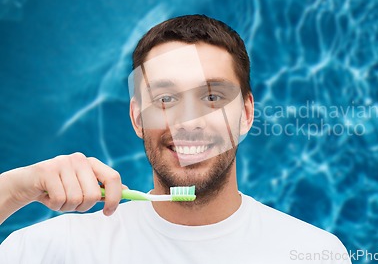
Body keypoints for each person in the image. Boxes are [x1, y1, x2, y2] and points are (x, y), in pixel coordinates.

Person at [0, 15, 350, 263]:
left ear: (246, 114)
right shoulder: (53, 250)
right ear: (137, 118)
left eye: (212, 97)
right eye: (165, 99)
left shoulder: (314, 252)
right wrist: (15, 190)